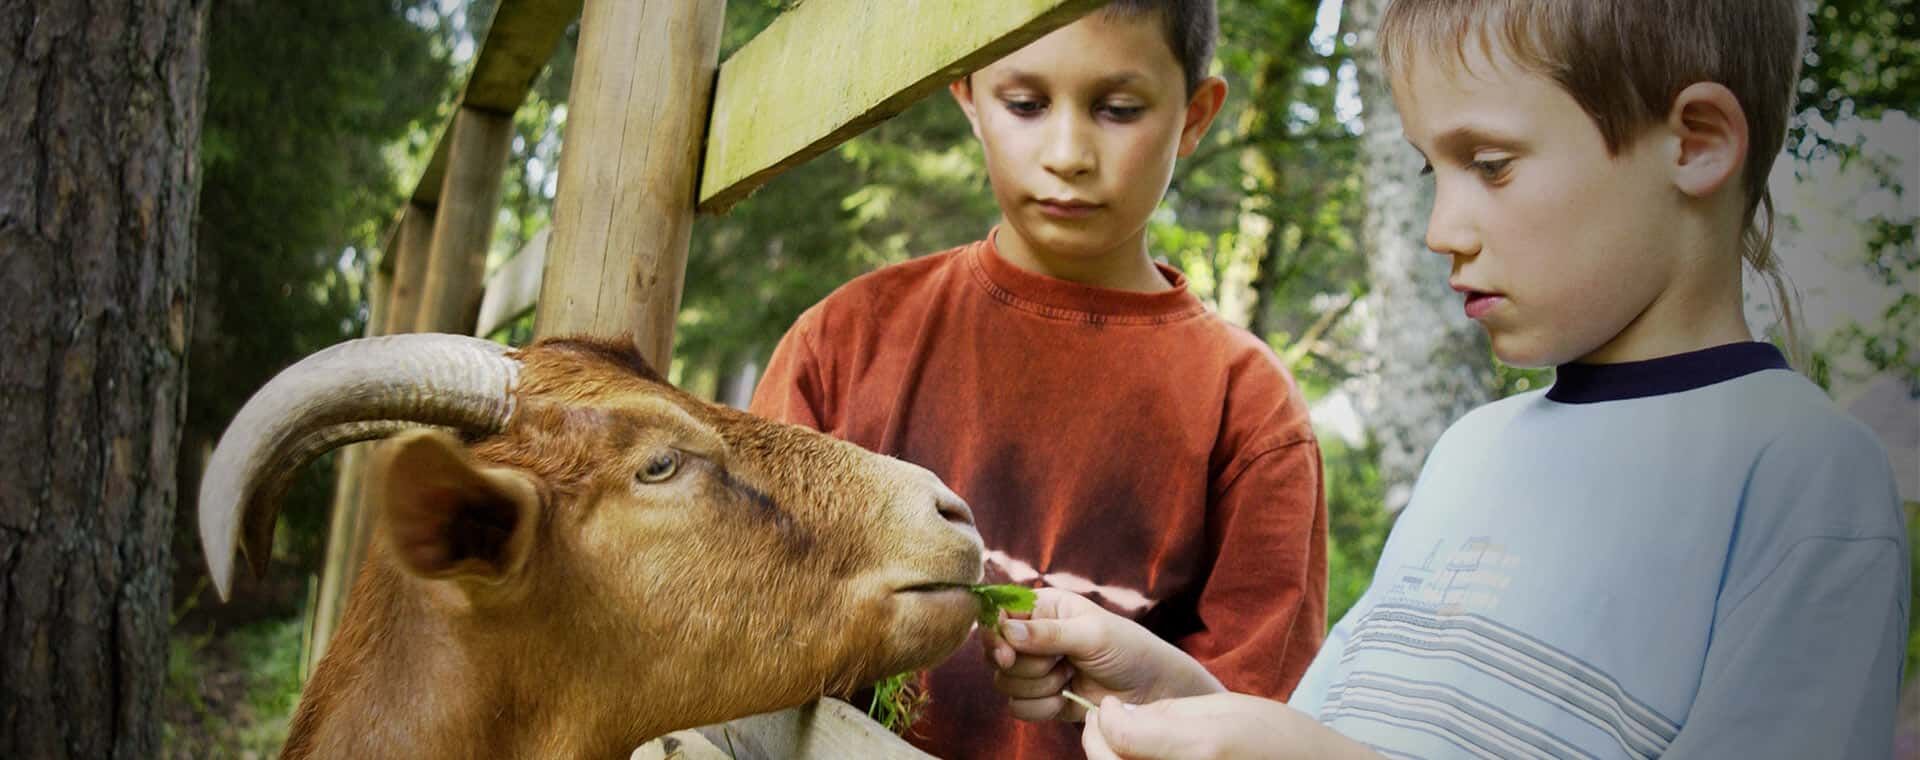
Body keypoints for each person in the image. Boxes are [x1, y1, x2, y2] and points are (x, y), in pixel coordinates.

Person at [981, 1, 1911, 757]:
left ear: (1698, 141)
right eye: (1433, 170)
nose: (1441, 229)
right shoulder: (1473, 449)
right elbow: (1338, 739)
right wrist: (1171, 698)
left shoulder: (1804, 478)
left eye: (1490, 165)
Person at [747, 2, 1329, 757]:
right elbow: (739, 614)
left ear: (1194, 115)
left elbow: (1255, 720)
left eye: (1118, 110)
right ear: (968, 94)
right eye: (1025, 104)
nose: (1067, 152)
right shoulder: (846, 340)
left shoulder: (1248, 409)